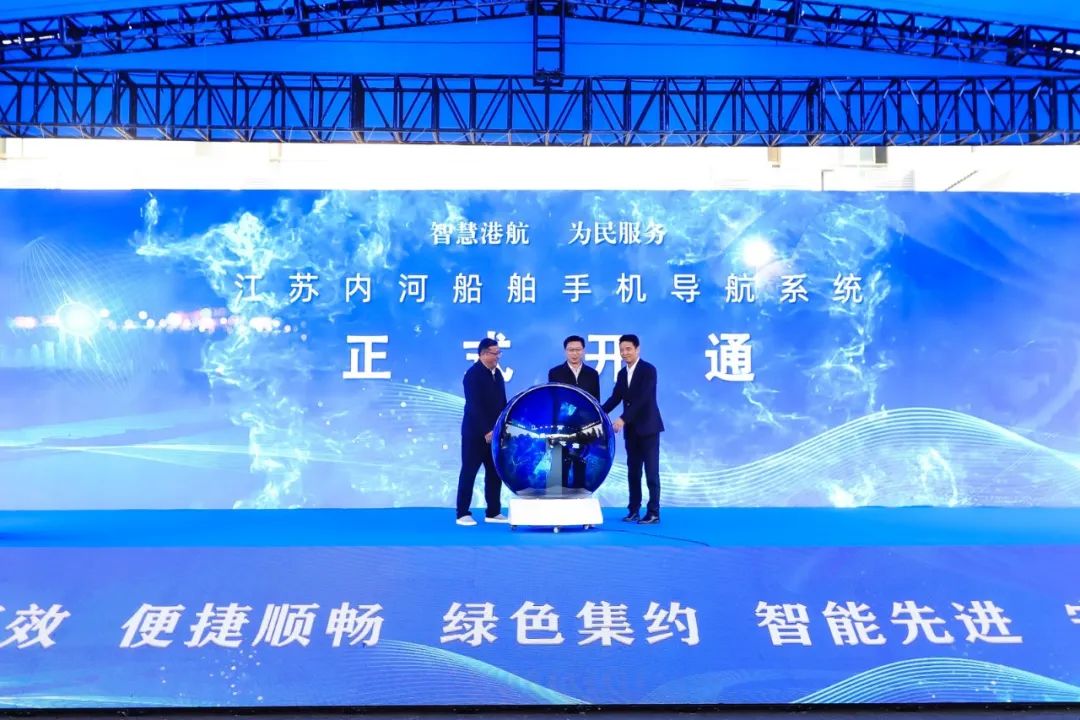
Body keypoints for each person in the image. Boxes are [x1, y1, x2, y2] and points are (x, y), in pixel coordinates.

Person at [601, 334, 664, 524]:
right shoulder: (622, 374)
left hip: (649, 428)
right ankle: (634, 509)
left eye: (628, 349)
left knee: (651, 473)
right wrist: (598, 413)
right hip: (632, 431)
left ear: (637, 349)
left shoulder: (648, 370)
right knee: (633, 472)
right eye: (621, 350)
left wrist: (623, 418)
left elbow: (643, 399)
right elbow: (615, 398)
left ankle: (653, 512)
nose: (624, 353)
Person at [455, 337, 509, 526]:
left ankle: (493, 511)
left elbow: (502, 402)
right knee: (469, 471)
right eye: (495, 353)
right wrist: (486, 430)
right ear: (484, 354)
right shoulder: (472, 375)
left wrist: (501, 427)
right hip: (475, 434)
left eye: (499, 353)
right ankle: (462, 513)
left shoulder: (497, 374)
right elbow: (474, 406)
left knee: (494, 472)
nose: (498, 356)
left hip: (494, 434)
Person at [547, 335, 602, 491]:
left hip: (584, 428)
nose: (574, 353)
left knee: (581, 463)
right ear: (565, 351)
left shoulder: (592, 374)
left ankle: (579, 497)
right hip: (562, 427)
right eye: (571, 350)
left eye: (578, 350)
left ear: (583, 351)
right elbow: (556, 400)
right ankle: (561, 499)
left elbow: (595, 401)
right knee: (561, 466)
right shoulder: (555, 372)